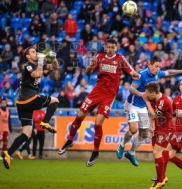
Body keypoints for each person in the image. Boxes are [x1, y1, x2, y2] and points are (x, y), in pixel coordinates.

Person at [58, 39, 140, 167]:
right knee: (80, 115)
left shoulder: (120, 59)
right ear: (105, 48)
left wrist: (139, 76)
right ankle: (69, 140)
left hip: (109, 95)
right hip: (96, 91)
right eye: (109, 47)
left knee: (98, 123)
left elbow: (132, 72)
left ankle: (95, 152)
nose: (111, 49)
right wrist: (91, 65)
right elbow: (87, 72)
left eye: (113, 47)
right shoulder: (99, 57)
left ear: (116, 47)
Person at [116, 56, 182, 166]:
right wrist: (141, 94)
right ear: (149, 65)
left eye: (159, 67)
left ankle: (131, 153)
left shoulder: (157, 74)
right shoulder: (141, 74)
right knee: (133, 129)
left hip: (143, 106)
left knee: (143, 134)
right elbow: (131, 89)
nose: (158, 69)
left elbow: (168, 72)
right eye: (156, 66)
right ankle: (122, 145)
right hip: (132, 105)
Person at [2, 47, 60, 169]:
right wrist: (41, 59)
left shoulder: (39, 64)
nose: (36, 52)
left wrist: (53, 57)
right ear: (28, 56)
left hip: (22, 104)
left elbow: (55, 67)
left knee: (26, 133)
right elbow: (37, 74)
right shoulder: (28, 65)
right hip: (29, 99)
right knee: (55, 101)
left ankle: (8, 153)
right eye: (33, 51)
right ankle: (45, 122)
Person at [141, 82, 173, 189]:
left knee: (156, 152)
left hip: (166, 129)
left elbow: (154, 114)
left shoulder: (164, 101)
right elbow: (154, 117)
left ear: (153, 93)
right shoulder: (154, 99)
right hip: (158, 128)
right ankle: (163, 176)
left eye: (148, 94)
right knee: (158, 152)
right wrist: (152, 123)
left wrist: (146, 102)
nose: (147, 96)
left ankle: (160, 180)